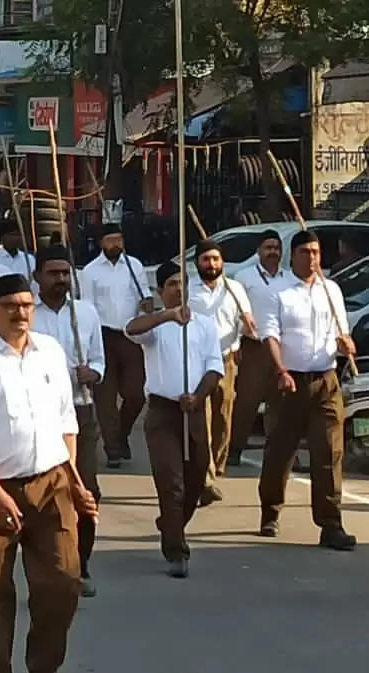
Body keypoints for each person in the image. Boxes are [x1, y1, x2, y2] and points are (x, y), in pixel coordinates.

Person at [0, 273, 97, 673]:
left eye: (27, 305)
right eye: (10, 306)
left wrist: (77, 484)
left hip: (51, 483)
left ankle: (43, 665)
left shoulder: (50, 351)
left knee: (64, 583)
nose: (20, 313)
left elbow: (66, 423)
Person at [255, 230, 357, 551]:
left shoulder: (332, 290)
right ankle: (270, 509)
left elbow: (344, 333)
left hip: (326, 379)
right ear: (293, 256)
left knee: (329, 452)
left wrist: (347, 345)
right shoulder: (279, 293)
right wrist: (280, 369)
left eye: (316, 252)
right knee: (280, 451)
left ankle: (331, 523)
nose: (312, 258)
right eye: (305, 252)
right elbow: (269, 336)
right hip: (289, 382)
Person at [127, 261, 224, 578]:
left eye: (183, 283)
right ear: (160, 291)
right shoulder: (156, 325)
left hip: (193, 411)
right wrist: (167, 316)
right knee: (172, 483)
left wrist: (198, 396)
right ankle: (176, 550)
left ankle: (171, 522)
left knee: (196, 479)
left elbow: (214, 368)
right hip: (162, 413)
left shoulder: (205, 325)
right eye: (171, 284)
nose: (179, 289)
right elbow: (132, 329)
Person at [29, 245, 104, 596]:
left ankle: (79, 564)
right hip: (37, 415)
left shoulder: (85, 313)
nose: (60, 280)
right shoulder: (25, 315)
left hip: (80, 410)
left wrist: (94, 373)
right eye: (52, 273)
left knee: (85, 490)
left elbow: (100, 360)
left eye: (65, 273)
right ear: (37, 276)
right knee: (42, 497)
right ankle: (46, 568)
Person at [186, 238, 254, 502]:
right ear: (197, 263)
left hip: (226, 359)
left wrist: (249, 324)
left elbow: (246, 322)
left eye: (215, 259)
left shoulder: (234, 288)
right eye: (206, 259)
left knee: (223, 418)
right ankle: (205, 477)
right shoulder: (188, 290)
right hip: (198, 362)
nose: (211, 264)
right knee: (201, 419)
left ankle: (217, 464)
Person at [78, 223, 152, 467]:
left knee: (135, 395)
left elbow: (145, 297)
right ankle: (113, 450)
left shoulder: (134, 265)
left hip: (130, 335)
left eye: (119, 240)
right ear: (101, 244)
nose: (116, 245)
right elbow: (88, 309)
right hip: (103, 336)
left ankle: (121, 434)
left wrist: (148, 308)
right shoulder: (90, 272)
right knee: (105, 397)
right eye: (111, 241)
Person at [229, 230, 287, 466]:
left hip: (282, 348)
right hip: (253, 346)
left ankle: (278, 452)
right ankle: (232, 450)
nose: (272, 252)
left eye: (276, 248)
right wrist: (236, 345)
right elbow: (232, 314)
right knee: (246, 402)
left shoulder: (289, 278)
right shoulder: (244, 278)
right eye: (268, 248)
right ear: (258, 251)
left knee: (280, 403)